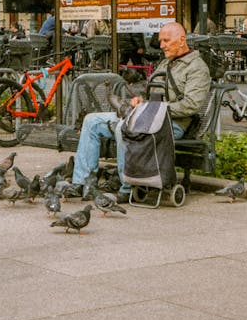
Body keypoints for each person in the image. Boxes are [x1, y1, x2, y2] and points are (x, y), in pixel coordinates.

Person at [72, 22, 211, 201]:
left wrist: (156, 109)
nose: (161, 45)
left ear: (182, 40)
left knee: (123, 127)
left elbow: (192, 105)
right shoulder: (166, 63)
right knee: (91, 121)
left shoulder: (197, 68)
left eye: (166, 41)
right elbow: (151, 92)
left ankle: (127, 187)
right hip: (148, 117)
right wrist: (141, 100)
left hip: (170, 124)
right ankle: (83, 183)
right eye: (161, 41)